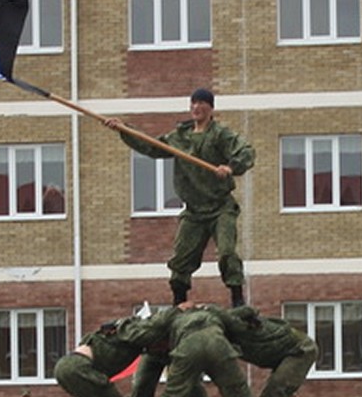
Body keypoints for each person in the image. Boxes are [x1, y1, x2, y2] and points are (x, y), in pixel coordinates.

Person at [108, 87, 255, 306]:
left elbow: (246, 151)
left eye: (201, 103)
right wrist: (124, 130)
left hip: (220, 207)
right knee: (180, 260)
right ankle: (179, 301)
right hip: (194, 210)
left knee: (226, 252)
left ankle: (237, 297)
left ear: (210, 108)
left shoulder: (220, 134)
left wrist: (231, 167)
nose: (196, 107)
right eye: (193, 103)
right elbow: (151, 146)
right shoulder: (179, 137)